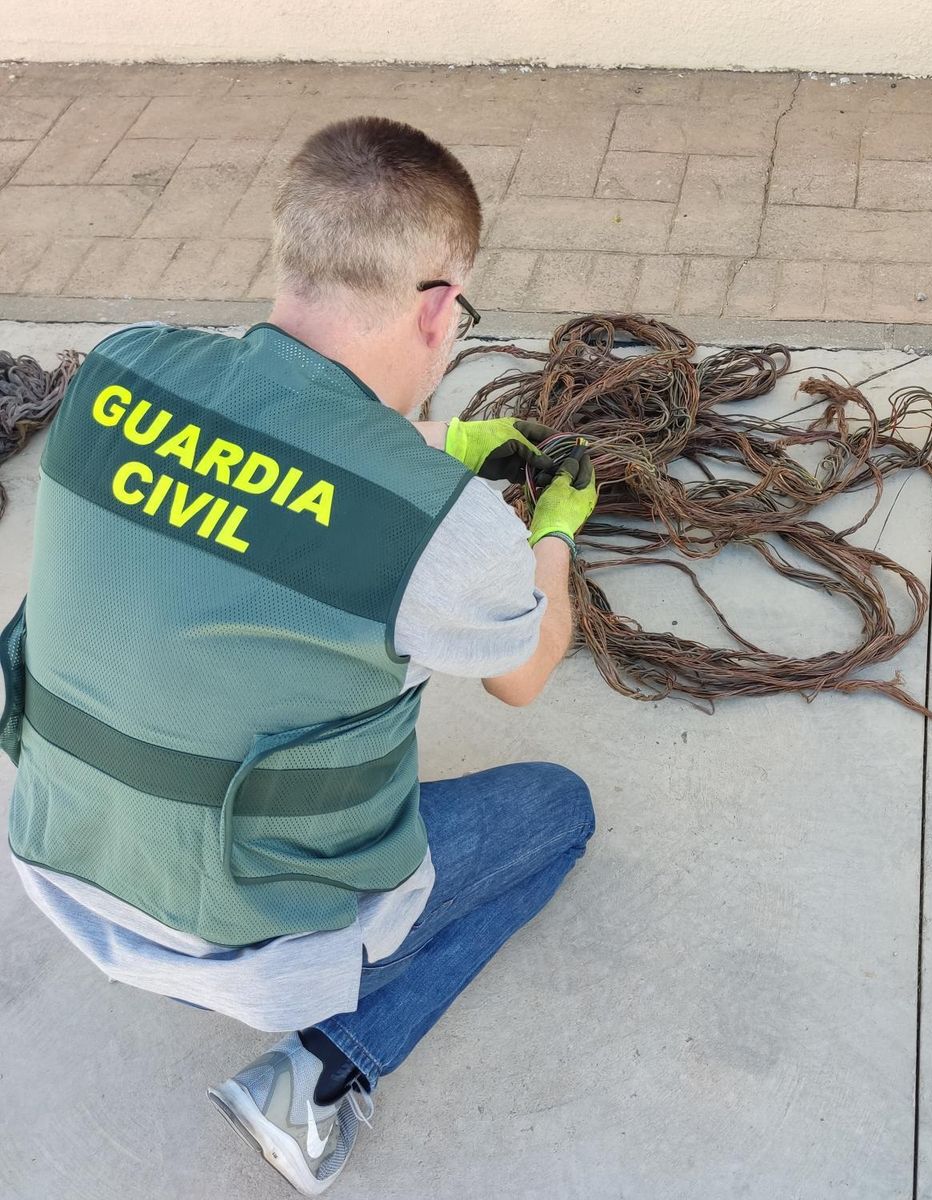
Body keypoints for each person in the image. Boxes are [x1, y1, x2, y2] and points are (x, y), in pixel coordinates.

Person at [2, 117, 599, 1195]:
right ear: (436, 306)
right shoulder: (446, 533)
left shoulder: (121, 366)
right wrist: (550, 530)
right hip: (234, 938)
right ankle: (323, 1077)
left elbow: (268, 449)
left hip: (53, 854)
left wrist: (426, 449)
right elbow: (525, 669)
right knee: (557, 811)